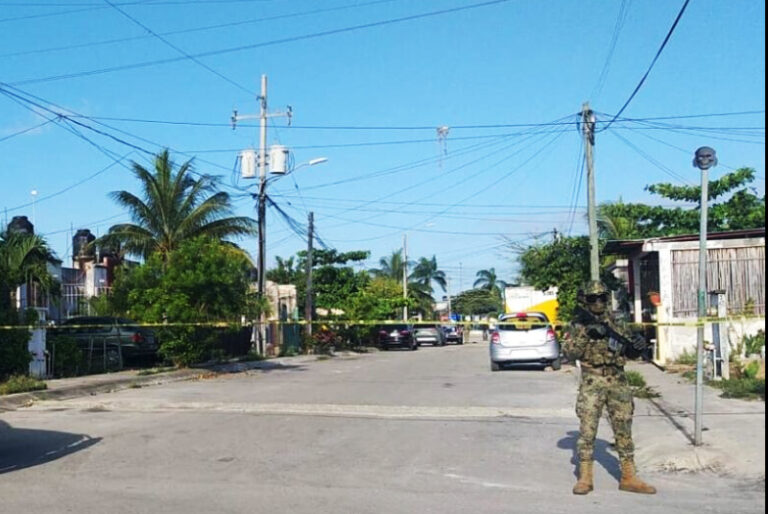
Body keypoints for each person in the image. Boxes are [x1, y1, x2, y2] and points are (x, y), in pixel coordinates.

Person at [564, 281, 656, 495]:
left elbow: (629, 350)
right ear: (584, 300)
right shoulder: (578, 324)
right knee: (587, 431)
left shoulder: (618, 321)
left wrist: (637, 346)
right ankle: (585, 477)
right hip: (592, 380)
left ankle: (628, 476)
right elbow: (570, 353)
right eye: (592, 298)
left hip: (617, 379)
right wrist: (586, 333)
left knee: (624, 429)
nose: (597, 302)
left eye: (602, 297)